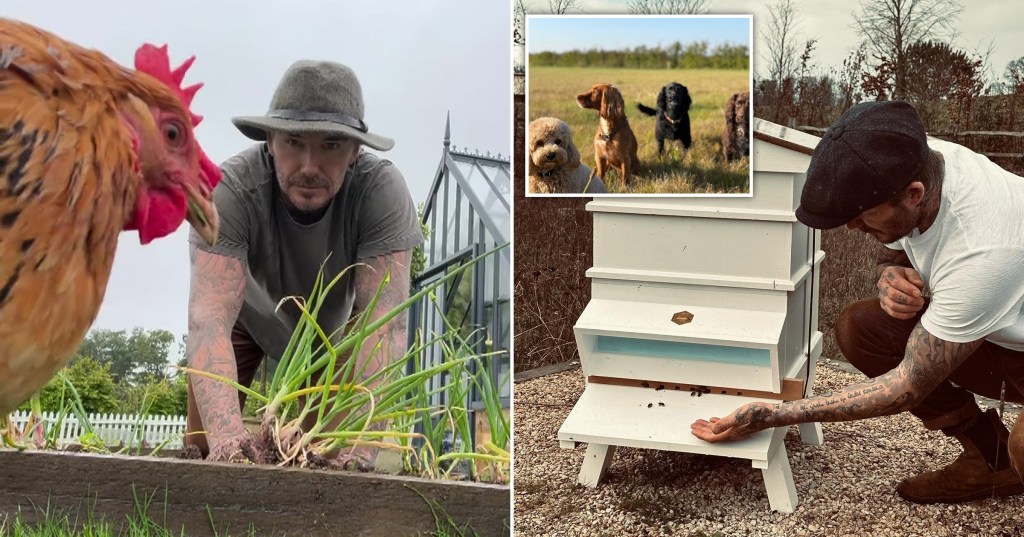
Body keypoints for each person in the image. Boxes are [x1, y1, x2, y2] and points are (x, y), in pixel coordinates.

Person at [691, 100, 1024, 504]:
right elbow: (901, 243)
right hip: (1003, 332)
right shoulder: (913, 160)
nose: (852, 226)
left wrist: (776, 414)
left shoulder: (983, 250)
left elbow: (907, 387)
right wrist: (888, 273)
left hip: (1007, 328)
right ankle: (989, 459)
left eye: (862, 215)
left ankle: (1013, 460)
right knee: (861, 327)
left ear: (914, 195)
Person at [184, 59, 424, 465]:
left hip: (335, 337)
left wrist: (358, 453)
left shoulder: (381, 193)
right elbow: (208, 319)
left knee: (327, 456)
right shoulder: (229, 193)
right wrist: (227, 443)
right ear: (270, 141)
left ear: (355, 152)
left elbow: (383, 326)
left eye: (330, 145)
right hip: (245, 319)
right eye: (294, 142)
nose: (310, 167)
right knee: (202, 447)